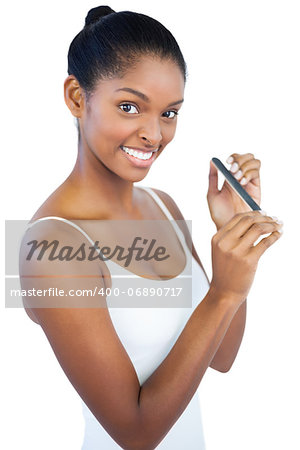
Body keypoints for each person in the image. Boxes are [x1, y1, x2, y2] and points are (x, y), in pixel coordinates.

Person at [18, 6, 283, 449]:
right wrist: (226, 292)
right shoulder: (50, 246)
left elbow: (222, 357)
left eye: (170, 113)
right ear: (77, 98)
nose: (155, 134)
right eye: (130, 107)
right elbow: (136, 434)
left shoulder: (164, 206)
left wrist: (230, 230)